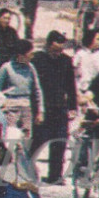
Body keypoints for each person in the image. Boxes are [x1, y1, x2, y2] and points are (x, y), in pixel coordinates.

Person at [32, 31, 76, 185]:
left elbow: (71, 85)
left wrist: (73, 106)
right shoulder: (37, 59)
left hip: (59, 107)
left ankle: (55, 176)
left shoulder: (66, 61)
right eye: (55, 49)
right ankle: (26, 171)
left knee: (60, 141)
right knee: (37, 141)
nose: (58, 53)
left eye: (61, 50)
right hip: (42, 108)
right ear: (48, 45)